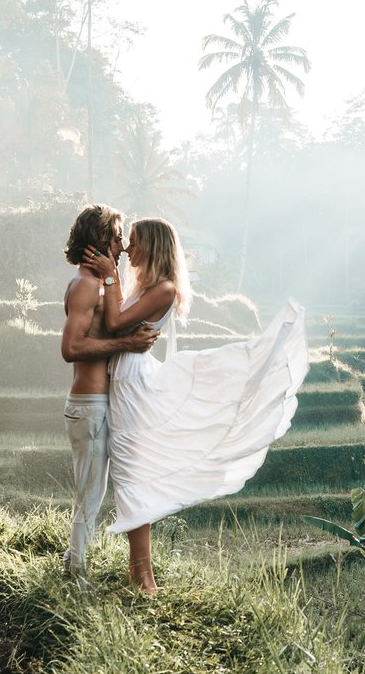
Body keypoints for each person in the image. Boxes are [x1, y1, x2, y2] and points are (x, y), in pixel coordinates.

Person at [83, 217, 308, 594]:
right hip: (125, 381)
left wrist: (110, 277)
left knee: (132, 477)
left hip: (135, 386)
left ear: (153, 247)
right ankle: (140, 576)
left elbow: (117, 320)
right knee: (131, 477)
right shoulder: (144, 287)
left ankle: (144, 580)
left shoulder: (165, 290)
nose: (127, 249)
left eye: (134, 242)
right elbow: (113, 325)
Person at [60, 204, 157, 586]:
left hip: (96, 406)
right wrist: (129, 342)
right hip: (89, 406)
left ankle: (73, 561)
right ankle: (76, 571)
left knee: (92, 490)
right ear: (100, 239)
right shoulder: (87, 285)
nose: (121, 244)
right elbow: (71, 348)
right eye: (117, 236)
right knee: (91, 493)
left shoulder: (98, 284)